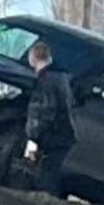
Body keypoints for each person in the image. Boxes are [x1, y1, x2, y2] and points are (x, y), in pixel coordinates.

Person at [23, 40, 77, 197]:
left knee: (47, 174)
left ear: (33, 58)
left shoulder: (45, 81)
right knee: (52, 170)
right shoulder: (63, 78)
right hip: (65, 134)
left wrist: (33, 137)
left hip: (53, 135)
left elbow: (43, 111)